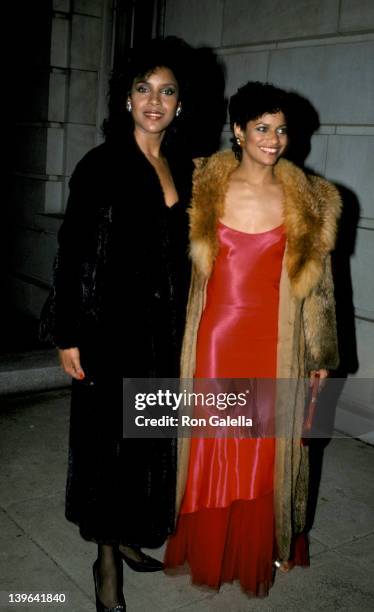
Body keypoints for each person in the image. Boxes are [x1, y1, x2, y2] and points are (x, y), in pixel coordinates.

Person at [164, 81, 341, 596]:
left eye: (282, 130)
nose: (273, 139)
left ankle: (264, 542)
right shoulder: (202, 185)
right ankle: (213, 543)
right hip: (218, 336)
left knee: (268, 447)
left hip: (278, 341)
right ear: (238, 130)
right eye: (262, 128)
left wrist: (321, 352)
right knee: (220, 441)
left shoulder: (308, 198)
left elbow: (321, 290)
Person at [39, 37, 193, 611]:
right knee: (107, 448)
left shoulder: (186, 167)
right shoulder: (100, 164)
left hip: (164, 334)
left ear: (181, 103)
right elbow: (73, 251)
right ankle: (105, 559)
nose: (155, 101)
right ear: (125, 99)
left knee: (147, 440)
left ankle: (128, 535)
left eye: (167, 91)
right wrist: (68, 332)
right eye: (142, 89)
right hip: (109, 331)